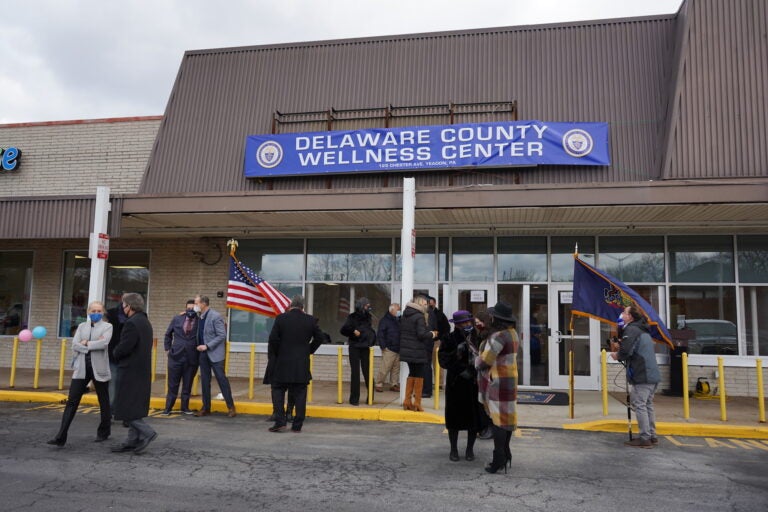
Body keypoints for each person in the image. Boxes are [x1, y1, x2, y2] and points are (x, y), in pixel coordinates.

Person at [47, 301, 112, 447]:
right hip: (81, 368)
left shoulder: (108, 327)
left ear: (103, 312)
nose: (96, 313)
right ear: (88, 312)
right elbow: (74, 345)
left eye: (99, 311)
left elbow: (104, 344)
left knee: (103, 400)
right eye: (93, 310)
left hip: (99, 368)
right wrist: (90, 344)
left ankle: (104, 431)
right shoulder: (82, 327)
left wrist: (86, 343)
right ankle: (61, 436)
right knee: (72, 401)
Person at [266, 296, 327, 433]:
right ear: (302, 307)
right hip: (301, 364)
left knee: (278, 390)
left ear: (290, 305)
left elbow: (273, 339)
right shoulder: (310, 320)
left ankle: (280, 421)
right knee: (300, 393)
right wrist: (309, 350)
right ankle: (297, 425)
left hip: (282, 363)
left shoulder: (281, 319)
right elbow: (320, 337)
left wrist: (277, 355)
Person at [475, 301, 519, 474]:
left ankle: (498, 458)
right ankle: (506, 454)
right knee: (506, 419)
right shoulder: (513, 333)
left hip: (497, 381)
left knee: (498, 421)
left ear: (496, 318)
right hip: (510, 379)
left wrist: (476, 360)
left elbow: (485, 361)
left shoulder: (498, 336)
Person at [111, 293, 157, 454]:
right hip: (141, 371)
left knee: (125, 407)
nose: (122, 309)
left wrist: (114, 352)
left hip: (129, 371)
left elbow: (124, 347)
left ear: (130, 307)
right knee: (134, 407)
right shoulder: (145, 322)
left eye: (124, 305)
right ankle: (131, 441)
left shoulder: (131, 323)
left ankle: (147, 432)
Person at [611, 305, 661, 448]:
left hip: (642, 374)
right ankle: (652, 436)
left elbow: (626, 351)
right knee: (647, 405)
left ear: (630, 316)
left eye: (624, 312)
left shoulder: (631, 329)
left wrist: (616, 354)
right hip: (652, 374)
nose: (622, 314)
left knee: (639, 405)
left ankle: (645, 439)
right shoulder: (643, 329)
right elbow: (634, 347)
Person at [438, 310, 483, 462]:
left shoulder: (477, 337)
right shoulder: (449, 338)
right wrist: (456, 354)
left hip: (473, 382)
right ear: (456, 325)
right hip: (456, 382)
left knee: (473, 419)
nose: (467, 325)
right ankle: (454, 449)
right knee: (454, 418)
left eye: (468, 322)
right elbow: (442, 360)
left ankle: (470, 450)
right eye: (463, 323)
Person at [194, 295, 237, 417]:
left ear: (203, 304)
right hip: (203, 354)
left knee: (221, 380)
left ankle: (231, 407)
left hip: (215, 354)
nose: (195, 306)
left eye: (196, 303)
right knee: (205, 381)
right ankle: (206, 408)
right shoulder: (199, 316)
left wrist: (207, 346)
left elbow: (221, 335)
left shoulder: (215, 316)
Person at [399, 295, 438, 411]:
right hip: (417, 350)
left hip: (407, 350)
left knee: (412, 374)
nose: (427, 307)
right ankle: (417, 403)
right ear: (420, 304)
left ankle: (407, 401)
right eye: (425, 304)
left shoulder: (405, 315)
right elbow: (421, 334)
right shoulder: (419, 316)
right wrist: (432, 334)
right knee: (420, 376)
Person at [161, 299, 200, 415]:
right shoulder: (177, 319)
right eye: (188, 309)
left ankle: (185, 407)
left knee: (187, 385)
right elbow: (168, 334)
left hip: (192, 358)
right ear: (185, 308)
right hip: (175, 357)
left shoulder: (200, 321)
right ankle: (168, 408)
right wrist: (167, 349)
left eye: (193, 309)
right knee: (172, 384)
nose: (190, 311)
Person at [340, 297, 376, 406]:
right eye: (366, 305)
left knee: (367, 372)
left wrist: (372, 339)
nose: (368, 307)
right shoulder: (352, 317)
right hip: (354, 347)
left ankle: (370, 397)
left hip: (365, 347)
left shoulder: (369, 317)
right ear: (361, 306)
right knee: (355, 373)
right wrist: (353, 331)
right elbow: (343, 330)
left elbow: (369, 331)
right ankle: (354, 399)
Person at [424, 296, 450, 399]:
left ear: (435, 303)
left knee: (437, 363)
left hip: (436, 342)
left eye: (431, 303)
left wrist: (441, 338)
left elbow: (446, 328)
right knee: (426, 364)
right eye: (428, 303)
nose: (430, 305)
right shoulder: (423, 314)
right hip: (426, 341)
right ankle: (427, 384)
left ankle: (439, 383)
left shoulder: (440, 315)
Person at [106, 302, 127, 419]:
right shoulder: (111, 314)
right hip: (113, 356)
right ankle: (110, 411)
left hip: (127, 358)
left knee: (124, 386)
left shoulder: (134, 316)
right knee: (112, 385)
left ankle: (120, 411)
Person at [375, 303, 401, 393]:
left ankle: (394, 384)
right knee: (385, 367)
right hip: (389, 348)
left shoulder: (398, 320)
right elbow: (380, 334)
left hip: (398, 348)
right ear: (392, 310)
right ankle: (379, 384)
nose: (399, 311)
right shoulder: (385, 320)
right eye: (397, 309)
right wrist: (383, 347)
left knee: (396, 369)